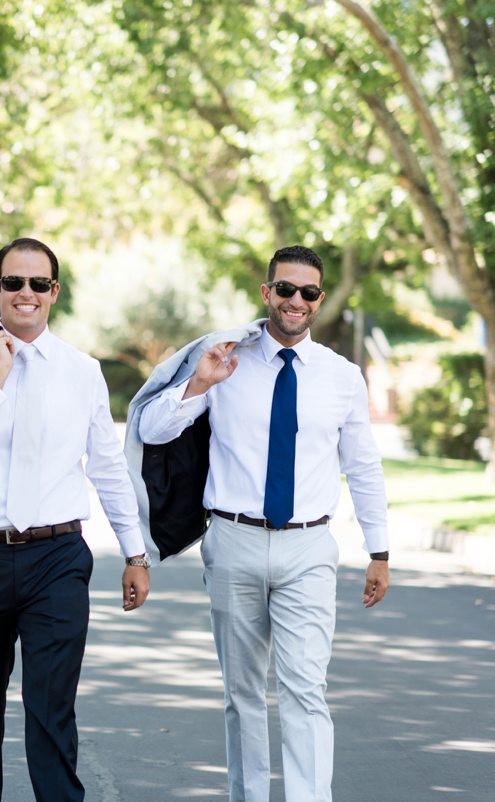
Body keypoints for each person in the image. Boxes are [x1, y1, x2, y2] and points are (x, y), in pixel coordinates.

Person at [138, 245, 391, 802]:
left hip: (308, 547)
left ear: (319, 300)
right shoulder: (223, 358)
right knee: (243, 694)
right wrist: (200, 383)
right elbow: (152, 431)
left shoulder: (343, 376)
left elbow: (363, 464)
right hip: (233, 541)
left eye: (308, 293)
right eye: (285, 289)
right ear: (266, 293)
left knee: (306, 691)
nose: (295, 301)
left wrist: (380, 549)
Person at [0, 237, 150, 802]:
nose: (27, 293)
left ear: (54, 292)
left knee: (52, 707)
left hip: (57, 558)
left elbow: (107, 466)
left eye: (39, 284)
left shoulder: (82, 372)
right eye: (14, 282)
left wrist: (135, 552)